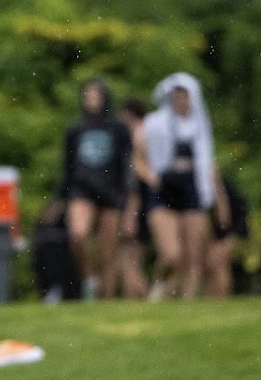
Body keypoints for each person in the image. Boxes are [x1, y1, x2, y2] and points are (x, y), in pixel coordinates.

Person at [139, 73, 217, 299]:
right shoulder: (154, 123)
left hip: (191, 189)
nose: (181, 101)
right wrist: (151, 176)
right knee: (171, 254)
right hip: (164, 189)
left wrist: (213, 197)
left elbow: (207, 164)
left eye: (185, 97)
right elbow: (138, 155)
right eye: (177, 97)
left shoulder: (199, 127)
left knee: (193, 255)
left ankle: (187, 302)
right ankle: (159, 287)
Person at [62, 78, 132, 299]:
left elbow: (126, 165)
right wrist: (60, 197)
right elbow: (67, 166)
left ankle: (104, 300)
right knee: (78, 236)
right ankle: (88, 277)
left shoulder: (118, 129)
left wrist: (127, 198)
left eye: (96, 95)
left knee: (107, 254)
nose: (91, 100)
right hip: (82, 189)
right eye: (87, 96)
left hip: (111, 192)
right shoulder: (75, 129)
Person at [113, 97, 151, 300]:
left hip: (135, 206)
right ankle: (139, 299)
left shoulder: (137, 139)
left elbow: (133, 185)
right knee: (127, 258)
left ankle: (145, 297)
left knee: (128, 258)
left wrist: (130, 214)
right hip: (139, 205)